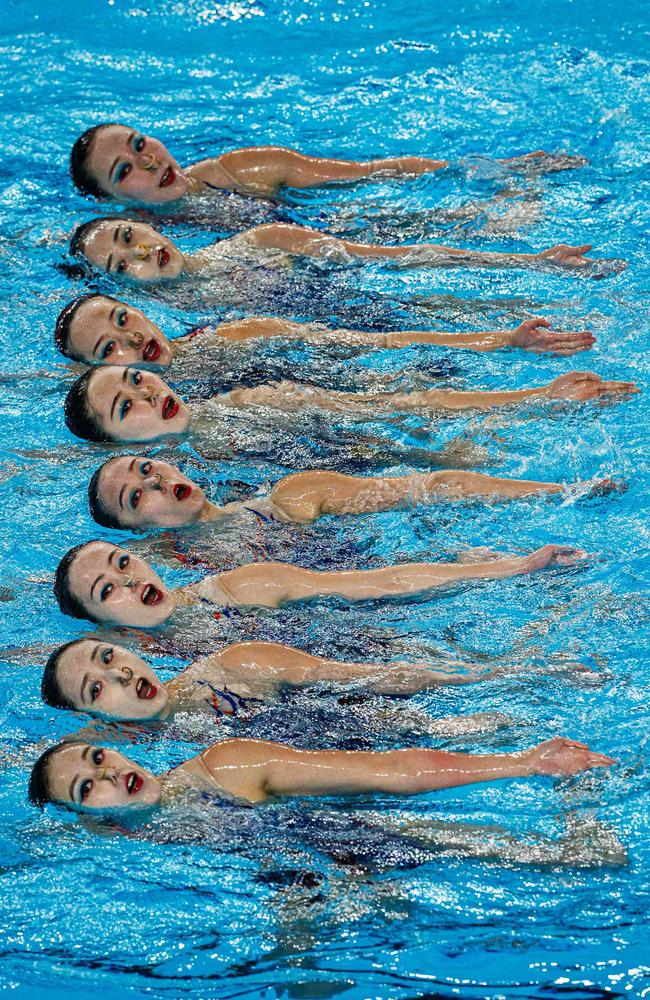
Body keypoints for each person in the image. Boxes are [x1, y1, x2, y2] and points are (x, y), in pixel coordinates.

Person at [53, 538, 588, 629]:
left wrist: (513, 568)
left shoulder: (242, 588)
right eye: (107, 591)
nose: (130, 580)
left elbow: (382, 582)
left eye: (123, 563)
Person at [28, 735, 614, 816]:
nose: (109, 773)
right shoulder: (126, 846)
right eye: (87, 786)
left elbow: (388, 770)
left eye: (99, 758)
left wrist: (520, 765)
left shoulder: (227, 767)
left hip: (351, 836)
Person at [62, 364, 639, 445]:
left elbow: (387, 406)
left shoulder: (248, 406)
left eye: (136, 380)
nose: (147, 394)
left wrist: (535, 397)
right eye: (125, 407)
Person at [69, 122, 585, 205]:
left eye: (138, 144)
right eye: (123, 171)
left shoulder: (246, 170)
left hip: (321, 229)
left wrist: (492, 168)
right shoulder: (134, 250)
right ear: (111, 201)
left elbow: (373, 172)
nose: (147, 160)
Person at [40, 637, 509, 725]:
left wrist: (477, 678)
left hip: (376, 728)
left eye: (109, 657)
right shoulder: (129, 771)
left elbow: (370, 679)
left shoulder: (234, 667)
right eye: (97, 688)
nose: (121, 674)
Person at [88, 454, 610, 531]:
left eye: (146, 468)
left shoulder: (293, 499)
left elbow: (430, 489)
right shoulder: (171, 596)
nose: (155, 481)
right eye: (137, 497)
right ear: (139, 536)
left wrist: (554, 491)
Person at [54, 293, 596, 367]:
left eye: (123, 320)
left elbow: (375, 343)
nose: (130, 339)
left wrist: (502, 340)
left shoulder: (243, 335)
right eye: (110, 347)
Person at [68, 217, 621, 284]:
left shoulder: (263, 243)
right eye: (123, 264)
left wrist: (531, 262)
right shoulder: (171, 335)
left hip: (361, 310)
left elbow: (398, 258)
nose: (141, 252)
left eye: (127, 236)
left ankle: (506, 212)